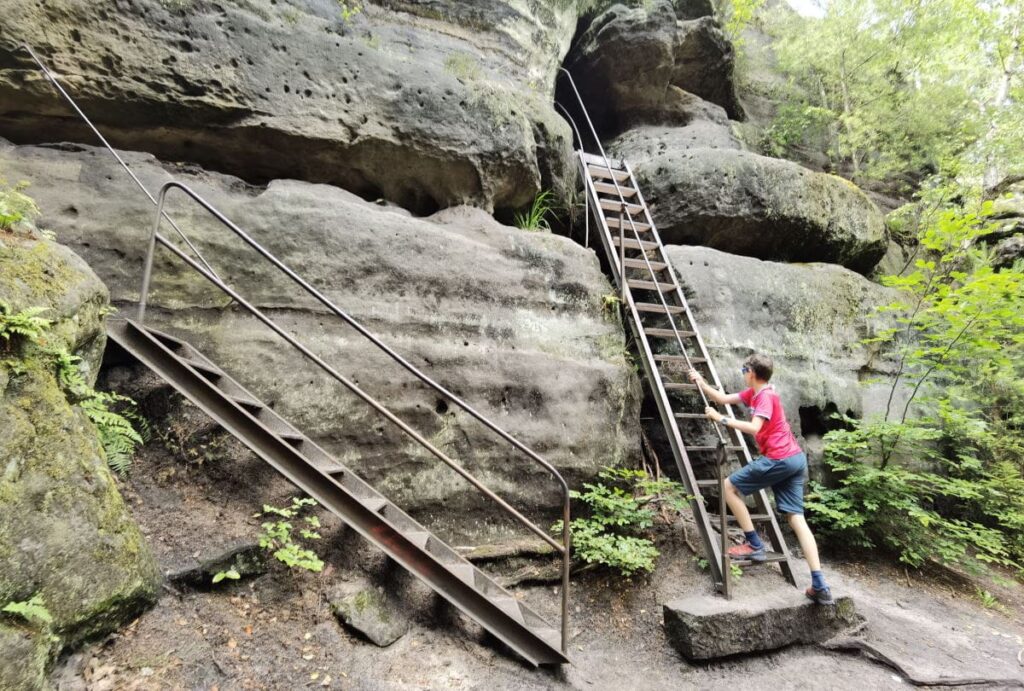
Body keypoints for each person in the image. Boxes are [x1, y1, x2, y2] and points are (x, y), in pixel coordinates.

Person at [688, 354, 834, 605]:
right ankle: (820, 584)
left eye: (744, 369)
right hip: (793, 459)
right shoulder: (754, 393)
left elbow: (755, 428)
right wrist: (700, 382)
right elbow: (722, 399)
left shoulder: (765, 396)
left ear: (752, 373)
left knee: (728, 487)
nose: (742, 373)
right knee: (796, 518)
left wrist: (720, 419)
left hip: (780, 459)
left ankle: (754, 544)